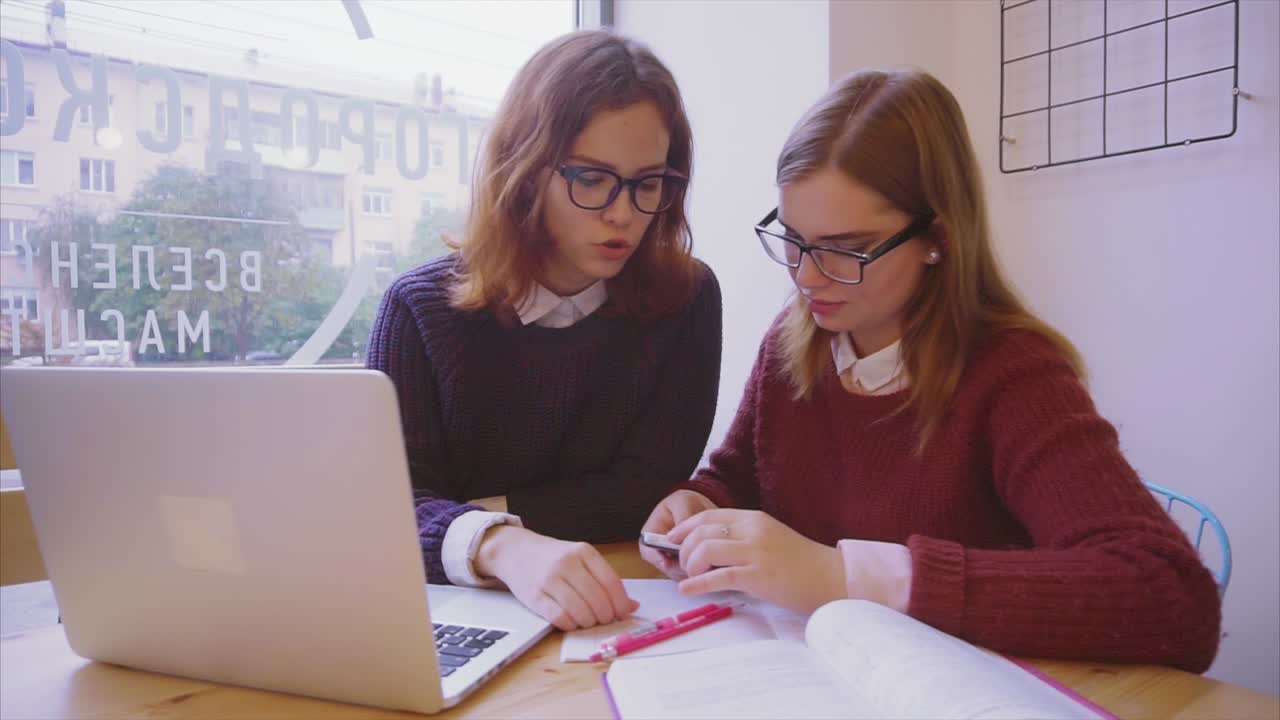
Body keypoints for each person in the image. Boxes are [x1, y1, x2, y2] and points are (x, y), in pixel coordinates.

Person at [640, 69, 1220, 672]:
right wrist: (697, 506)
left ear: (936, 237)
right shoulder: (796, 342)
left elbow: (1172, 599)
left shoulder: (1014, 373)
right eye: (794, 239)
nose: (807, 277)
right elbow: (738, 477)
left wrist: (849, 576)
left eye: (846, 248)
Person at [368, 29, 721, 631]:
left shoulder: (685, 299)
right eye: (591, 178)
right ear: (527, 171)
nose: (623, 213)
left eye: (649, 182)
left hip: (616, 597)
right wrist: (504, 546)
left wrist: (472, 517)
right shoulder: (419, 309)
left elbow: (646, 487)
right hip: (449, 610)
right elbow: (387, 507)